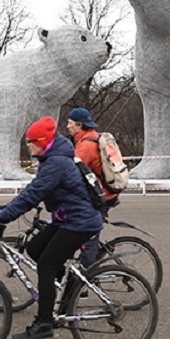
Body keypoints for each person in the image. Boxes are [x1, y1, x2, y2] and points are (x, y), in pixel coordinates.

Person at [0, 116, 103, 339]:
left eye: (30, 142)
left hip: (80, 222)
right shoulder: (52, 159)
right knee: (34, 248)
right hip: (68, 219)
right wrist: (7, 208)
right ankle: (69, 287)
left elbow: (33, 194)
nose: (28, 145)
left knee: (46, 266)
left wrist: (5, 215)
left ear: (42, 142)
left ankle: (44, 325)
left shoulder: (56, 163)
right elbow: (34, 191)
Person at [66, 107, 117, 268]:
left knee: (88, 240)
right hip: (102, 193)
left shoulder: (86, 146)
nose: (68, 126)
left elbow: (71, 173)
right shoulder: (92, 137)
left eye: (70, 123)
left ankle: (84, 283)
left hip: (98, 197)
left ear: (80, 125)